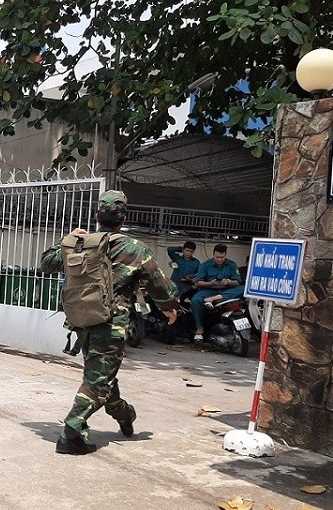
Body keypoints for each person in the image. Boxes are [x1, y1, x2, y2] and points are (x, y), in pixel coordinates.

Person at [41, 190, 179, 455]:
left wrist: (69, 239)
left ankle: (125, 414)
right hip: (111, 324)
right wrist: (170, 308)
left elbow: (47, 262)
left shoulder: (82, 243)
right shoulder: (134, 249)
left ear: (96, 217)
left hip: (84, 320)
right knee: (98, 381)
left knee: (101, 374)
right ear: (123, 219)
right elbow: (159, 283)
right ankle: (71, 434)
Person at [190, 243, 244, 342]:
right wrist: (210, 283)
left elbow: (237, 282)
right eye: (217, 257)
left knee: (243, 289)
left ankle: (213, 299)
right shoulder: (206, 265)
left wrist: (229, 282)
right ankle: (199, 328)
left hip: (226, 290)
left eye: (222, 257)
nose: (219, 259)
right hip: (209, 290)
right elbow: (198, 282)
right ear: (213, 255)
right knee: (195, 300)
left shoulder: (231, 264)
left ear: (225, 255)